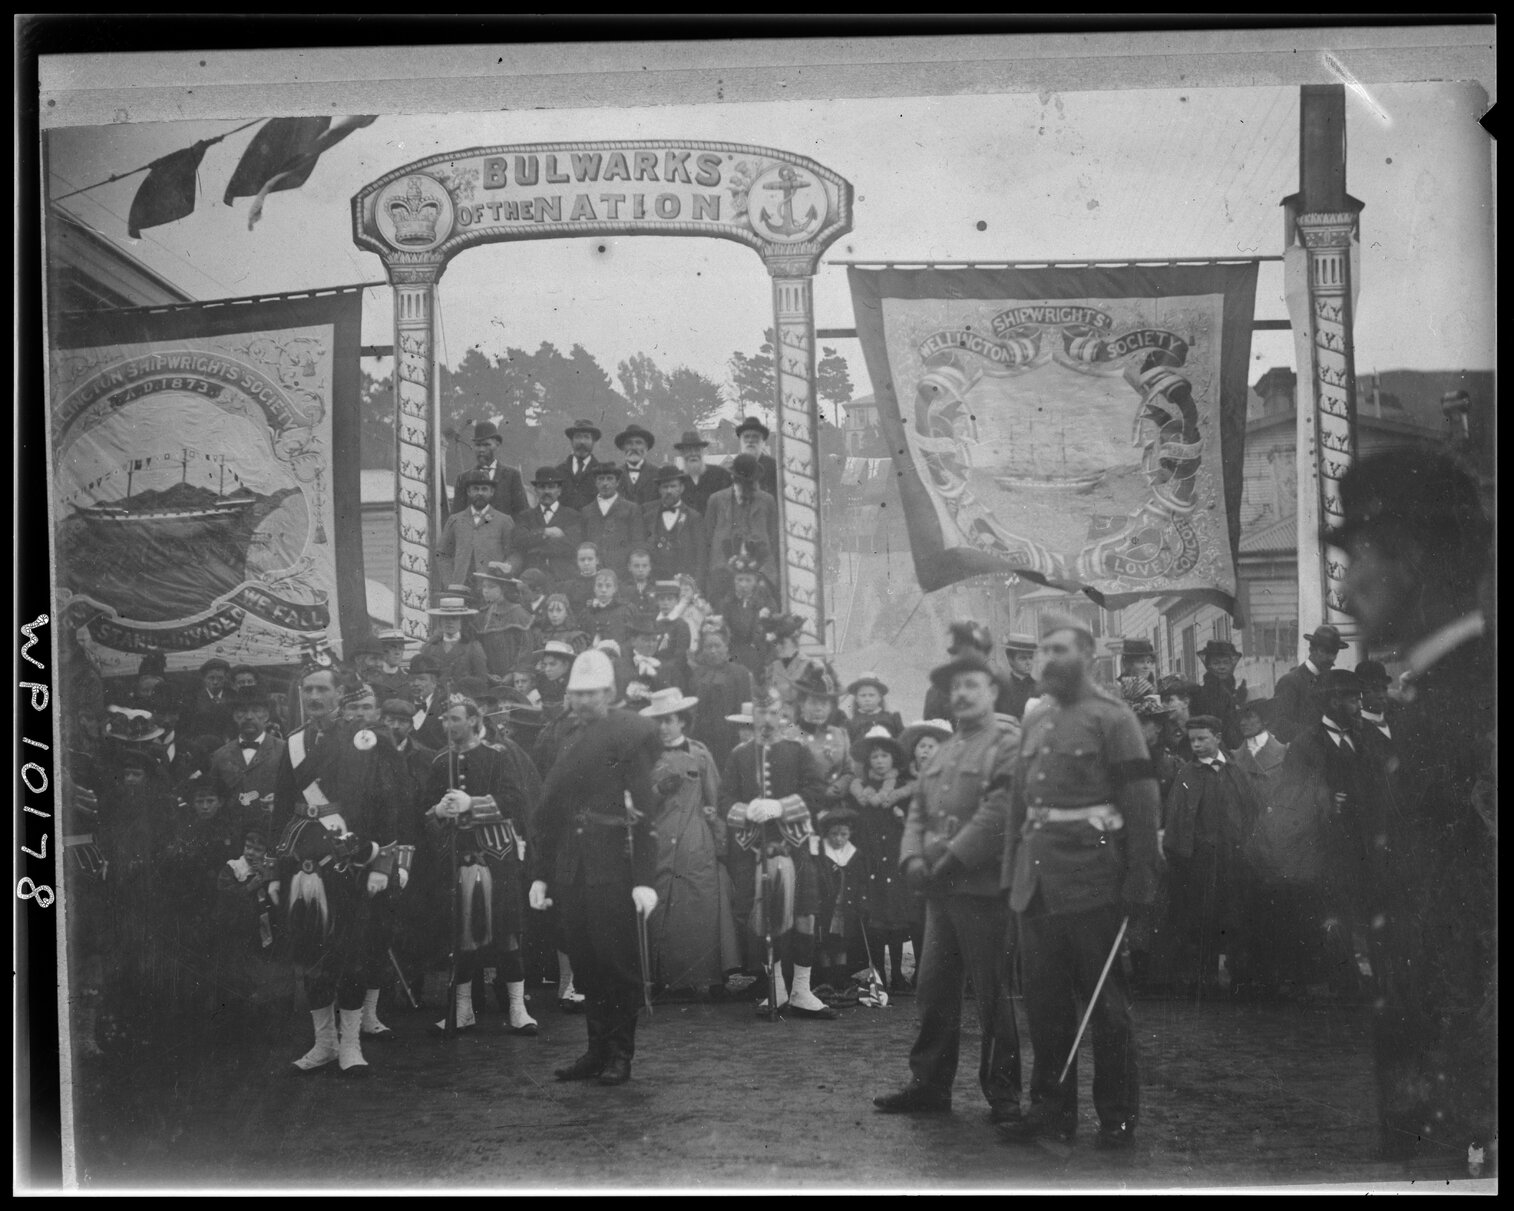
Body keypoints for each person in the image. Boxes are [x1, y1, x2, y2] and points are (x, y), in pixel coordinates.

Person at [1328, 447, 1495, 1174]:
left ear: (1414, 559)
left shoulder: (1477, 698)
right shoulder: (1439, 692)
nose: (1346, 590)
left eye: (1359, 555)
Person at [999, 619, 1160, 1150]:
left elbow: (1140, 802)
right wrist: (1010, 875)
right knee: (1043, 1005)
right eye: (1043, 649)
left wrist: (1140, 879)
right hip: (1037, 884)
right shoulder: (1036, 719)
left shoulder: (1114, 719)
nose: (1049, 658)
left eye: (1060, 649)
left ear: (1087, 655)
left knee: (1106, 1008)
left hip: (1095, 883)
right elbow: (1018, 808)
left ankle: (1116, 1116)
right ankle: (1050, 1110)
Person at [874, 650, 1023, 1123]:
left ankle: (1003, 1093)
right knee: (933, 989)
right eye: (954, 687)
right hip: (940, 894)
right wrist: (912, 857)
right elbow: (918, 811)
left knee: (992, 994)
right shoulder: (942, 749)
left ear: (993, 691)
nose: (961, 694)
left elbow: (1000, 812)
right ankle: (929, 1085)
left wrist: (952, 859)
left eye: (971, 685)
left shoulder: (1007, 744)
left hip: (983, 890)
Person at [269, 667, 414, 1076]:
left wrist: (384, 862)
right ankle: (324, 1044)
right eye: (308, 689)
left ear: (340, 694)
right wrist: (275, 872)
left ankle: (351, 1046)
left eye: (322, 689)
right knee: (311, 955)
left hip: (351, 858)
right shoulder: (294, 742)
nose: (314, 696)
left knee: (351, 956)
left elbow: (390, 803)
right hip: (303, 861)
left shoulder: (364, 739)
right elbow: (280, 809)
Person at [529, 649, 663, 1085]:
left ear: (609, 693)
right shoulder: (560, 735)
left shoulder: (628, 735)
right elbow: (549, 813)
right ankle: (595, 1050)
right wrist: (541, 873)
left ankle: (620, 1055)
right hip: (571, 864)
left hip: (613, 865)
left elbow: (643, 811)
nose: (583, 701)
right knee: (585, 961)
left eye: (592, 693)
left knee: (615, 962)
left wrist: (644, 879)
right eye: (576, 693)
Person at [423, 693, 540, 1035]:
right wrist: (439, 812)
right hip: (457, 857)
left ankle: (518, 1010)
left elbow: (516, 802)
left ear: (474, 720)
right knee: (461, 938)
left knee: (506, 934)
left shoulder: (498, 757)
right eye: (444, 719)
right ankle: (462, 1011)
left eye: (455, 718)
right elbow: (426, 813)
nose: (448, 725)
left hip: (496, 856)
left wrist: (471, 803)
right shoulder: (439, 761)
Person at [720, 687, 836, 1019]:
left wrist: (781, 807)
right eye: (761, 714)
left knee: (804, 915)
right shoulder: (738, 756)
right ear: (751, 719)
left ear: (781, 715)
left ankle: (801, 989)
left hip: (794, 845)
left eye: (773, 713)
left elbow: (817, 792)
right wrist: (748, 810)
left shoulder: (798, 752)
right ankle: (778, 990)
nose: (767, 720)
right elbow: (723, 801)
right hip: (754, 850)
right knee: (765, 920)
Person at [639, 686, 740, 998]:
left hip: (695, 840)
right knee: (657, 909)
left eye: (669, 720)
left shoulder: (700, 753)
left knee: (697, 905)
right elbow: (635, 804)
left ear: (682, 720)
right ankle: (660, 978)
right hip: (657, 840)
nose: (663, 727)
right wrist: (657, 791)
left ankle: (701, 977)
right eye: (658, 721)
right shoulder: (644, 756)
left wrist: (721, 844)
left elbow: (716, 797)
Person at [1161, 714, 1266, 997]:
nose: (1195, 745)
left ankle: (1241, 977)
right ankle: (1203, 980)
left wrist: (1249, 847)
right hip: (1200, 861)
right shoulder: (1186, 775)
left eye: (1202, 738)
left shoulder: (1236, 770)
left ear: (1218, 737)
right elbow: (1176, 819)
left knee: (1237, 918)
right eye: (1191, 740)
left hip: (1235, 859)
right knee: (1202, 920)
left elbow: (1253, 811)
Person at [849, 726, 918, 994]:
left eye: (884, 756)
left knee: (896, 916)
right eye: (874, 756)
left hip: (895, 857)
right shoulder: (861, 790)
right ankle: (877, 973)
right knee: (874, 915)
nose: (879, 761)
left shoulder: (903, 789)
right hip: (870, 858)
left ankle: (899, 973)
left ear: (893, 760)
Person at [703, 454, 780, 601]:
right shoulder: (716, 500)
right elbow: (707, 538)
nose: (746, 488)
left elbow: (774, 539)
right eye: (741, 482)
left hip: (760, 572)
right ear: (733, 478)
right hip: (722, 572)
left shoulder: (767, 501)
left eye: (750, 483)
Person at [812, 806, 869, 995]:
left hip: (845, 906)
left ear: (849, 834)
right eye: (834, 834)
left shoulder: (854, 855)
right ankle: (826, 977)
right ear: (827, 833)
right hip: (827, 906)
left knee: (842, 941)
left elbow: (861, 880)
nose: (838, 839)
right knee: (825, 941)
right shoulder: (822, 855)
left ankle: (841, 976)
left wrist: (860, 901)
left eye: (843, 834)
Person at [921, 622, 1021, 722]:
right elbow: (934, 729)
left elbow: (1008, 721)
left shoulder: (1001, 686)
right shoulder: (938, 691)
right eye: (960, 652)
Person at [686, 625, 754, 772]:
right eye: (708, 647)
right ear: (702, 650)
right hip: (702, 736)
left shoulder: (739, 673)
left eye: (717, 646)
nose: (713, 651)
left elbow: (745, 706)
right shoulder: (697, 674)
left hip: (730, 736)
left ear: (726, 647)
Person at [1270, 625, 1350, 744]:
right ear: (1312, 650)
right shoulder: (1290, 681)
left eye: (1334, 652)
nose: (1331, 658)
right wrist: (1317, 735)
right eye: (1325, 651)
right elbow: (1280, 724)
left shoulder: (1333, 682)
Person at [436, 477, 517, 588]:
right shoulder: (455, 520)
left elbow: (514, 554)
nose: (480, 493)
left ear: (492, 492)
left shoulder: (504, 521)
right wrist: (450, 582)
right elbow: (442, 554)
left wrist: (505, 569)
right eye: (475, 489)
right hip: (460, 586)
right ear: (469, 492)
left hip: (492, 586)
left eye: (484, 489)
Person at [512, 466, 584, 585]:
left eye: (551, 487)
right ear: (535, 490)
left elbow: (572, 545)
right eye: (542, 487)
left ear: (559, 490)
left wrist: (534, 547)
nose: (546, 491)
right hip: (532, 580)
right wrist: (545, 532)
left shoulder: (572, 516)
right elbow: (519, 540)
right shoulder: (525, 516)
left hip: (563, 579)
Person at [716, 544, 777, 679]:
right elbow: (724, 632)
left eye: (748, 580)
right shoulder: (727, 602)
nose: (743, 584)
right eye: (740, 580)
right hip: (735, 654)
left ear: (755, 582)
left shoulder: (766, 602)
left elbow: (771, 634)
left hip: (760, 654)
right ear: (734, 581)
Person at [580, 460, 646, 579]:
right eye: (601, 479)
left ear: (617, 482)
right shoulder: (587, 511)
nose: (605, 483)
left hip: (622, 573)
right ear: (595, 482)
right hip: (594, 573)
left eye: (610, 478)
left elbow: (637, 543)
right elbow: (583, 543)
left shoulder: (631, 509)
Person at [643, 464, 707, 585]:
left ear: (682, 488)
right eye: (665, 487)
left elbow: (701, 557)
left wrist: (696, 586)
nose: (669, 491)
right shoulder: (648, 517)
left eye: (673, 486)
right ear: (659, 489)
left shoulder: (694, 517)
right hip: (655, 582)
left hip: (684, 583)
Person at [451, 419, 528, 518]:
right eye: (478, 445)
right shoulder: (463, 478)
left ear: (497, 445)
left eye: (486, 445)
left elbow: (523, 514)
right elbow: (456, 517)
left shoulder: (512, 475)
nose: (481, 450)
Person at [471, 563, 536, 678]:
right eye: (484, 586)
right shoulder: (484, 615)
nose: (485, 591)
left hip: (515, 678)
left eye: (491, 587)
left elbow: (525, 651)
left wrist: (512, 674)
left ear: (504, 589)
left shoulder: (519, 614)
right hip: (489, 677)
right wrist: (487, 674)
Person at [418, 590, 490, 684]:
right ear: (440, 621)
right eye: (446, 618)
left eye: (454, 618)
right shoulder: (429, 648)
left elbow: (482, 681)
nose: (450, 622)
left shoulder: (473, 648)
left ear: (462, 621)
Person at [1190, 639, 1248, 751]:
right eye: (1216, 663)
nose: (1222, 667)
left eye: (1226, 662)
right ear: (1209, 666)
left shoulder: (1233, 691)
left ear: (1232, 664)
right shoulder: (1202, 694)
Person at [673, 429, 732, 517]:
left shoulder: (720, 474)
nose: (693, 454)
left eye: (697, 449)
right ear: (682, 453)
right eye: (689, 450)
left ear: (702, 451)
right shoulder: (676, 479)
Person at [180, 657, 237, 746]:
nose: (215, 682)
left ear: (225, 678)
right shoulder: (193, 699)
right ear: (204, 679)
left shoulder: (233, 697)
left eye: (220, 678)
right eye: (211, 678)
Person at [556, 418, 605, 512]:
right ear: (571, 441)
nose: (582, 442)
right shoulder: (558, 472)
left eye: (587, 437)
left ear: (593, 442)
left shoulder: (602, 473)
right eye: (578, 437)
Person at [844, 673, 904, 745]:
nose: (867, 699)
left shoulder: (891, 719)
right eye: (863, 695)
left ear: (880, 697)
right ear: (856, 699)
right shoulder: (852, 723)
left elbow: (902, 741)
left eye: (871, 695)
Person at [613, 424, 663, 506]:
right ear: (623, 447)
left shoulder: (658, 474)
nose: (634, 447)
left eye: (638, 443)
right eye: (629, 443)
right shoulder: (614, 475)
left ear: (646, 447)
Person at [583, 569, 633, 650]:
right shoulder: (587, 612)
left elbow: (632, 639)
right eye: (599, 585)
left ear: (615, 588)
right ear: (594, 588)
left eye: (608, 586)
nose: (603, 590)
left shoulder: (625, 610)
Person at [729, 415, 778, 497]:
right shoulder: (733, 469)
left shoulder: (775, 469)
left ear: (763, 442)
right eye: (746, 437)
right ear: (740, 441)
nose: (750, 441)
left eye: (755, 437)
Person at [408, 653, 450, 750]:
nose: (416, 684)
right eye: (412, 679)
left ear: (434, 683)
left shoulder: (444, 707)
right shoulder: (403, 703)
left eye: (422, 679)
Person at [1000, 634, 1040, 721]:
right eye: (1022, 658)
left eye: (1030, 657)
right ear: (1010, 659)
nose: (1028, 662)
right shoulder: (1002, 687)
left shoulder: (1039, 688)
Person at [533, 640, 576, 713]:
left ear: (566, 665)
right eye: (545, 665)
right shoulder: (543, 682)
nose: (547, 669)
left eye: (552, 664)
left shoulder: (574, 685)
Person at [1116, 638, 1160, 703]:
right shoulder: (1118, 692)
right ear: (1128, 664)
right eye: (1141, 661)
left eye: (1149, 662)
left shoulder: (1155, 689)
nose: (1146, 667)